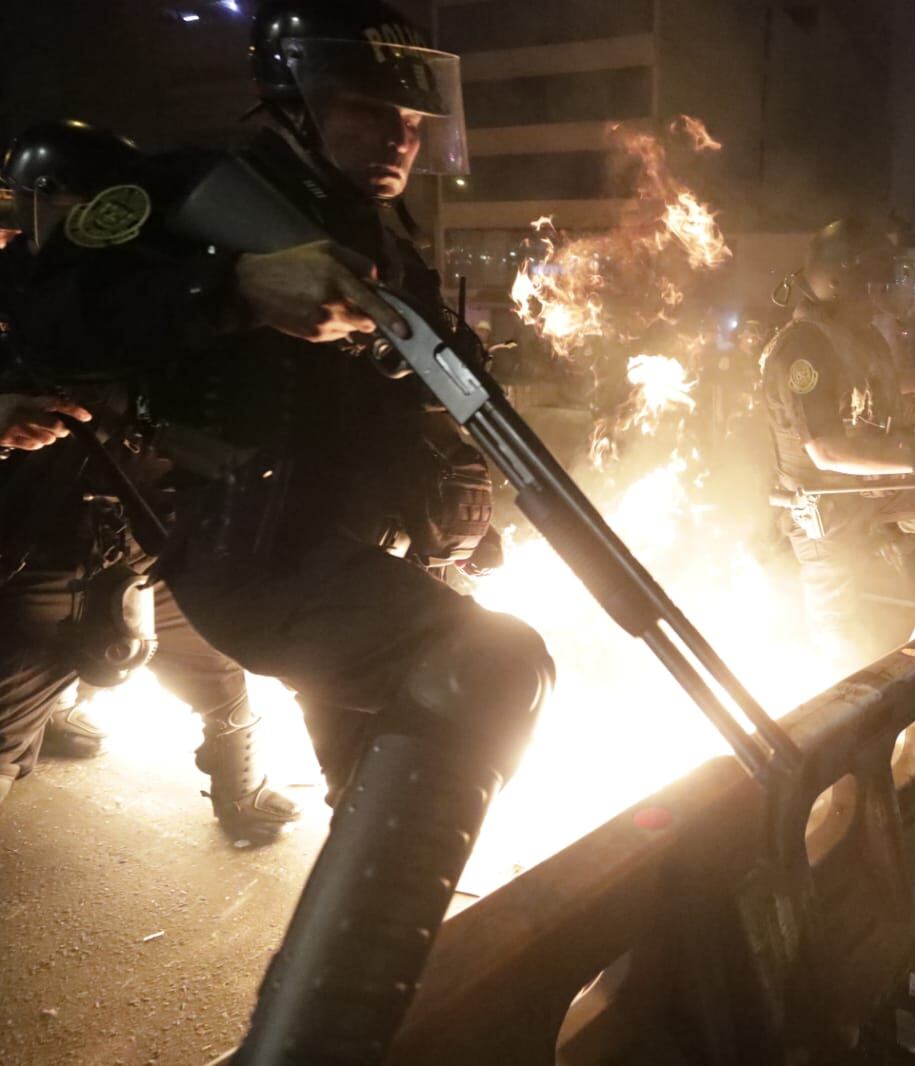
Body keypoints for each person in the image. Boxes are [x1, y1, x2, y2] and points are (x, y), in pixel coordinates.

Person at [16, 4, 552, 1059]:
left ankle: (370, 1019)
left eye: (413, 117)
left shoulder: (379, 228)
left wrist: (456, 505)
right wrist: (232, 290)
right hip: (249, 550)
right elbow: (49, 315)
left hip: (351, 554)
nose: (400, 135)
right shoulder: (186, 190)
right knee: (491, 667)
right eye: (371, 108)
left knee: (386, 820)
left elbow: (396, 399)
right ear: (298, 95)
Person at [0, 119, 301, 831]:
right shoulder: (16, 291)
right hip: (33, 552)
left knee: (220, 666)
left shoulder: (151, 292)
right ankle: (55, 708)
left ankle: (241, 793)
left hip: (148, 533)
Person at [761, 218, 915, 659]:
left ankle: (901, 555)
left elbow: (883, 382)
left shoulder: (858, 336)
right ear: (841, 280)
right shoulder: (803, 349)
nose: (886, 288)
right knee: (841, 636)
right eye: (878, 277)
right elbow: (827, 451)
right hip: (826, 504)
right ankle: (834, 689)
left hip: (867, 488)